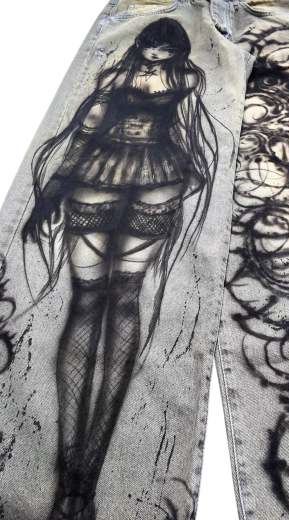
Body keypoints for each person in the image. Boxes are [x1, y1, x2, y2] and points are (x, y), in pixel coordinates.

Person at [22, 17, 218, 519]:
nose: (153, 60)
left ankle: (78, 477)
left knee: (93, 302)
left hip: (106, 174)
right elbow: (183, 131)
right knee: (117, 300)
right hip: (156, 177)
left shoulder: (124, 75)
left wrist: (51, 195)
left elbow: (87, 131)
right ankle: (80, 478)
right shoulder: (185, 78)